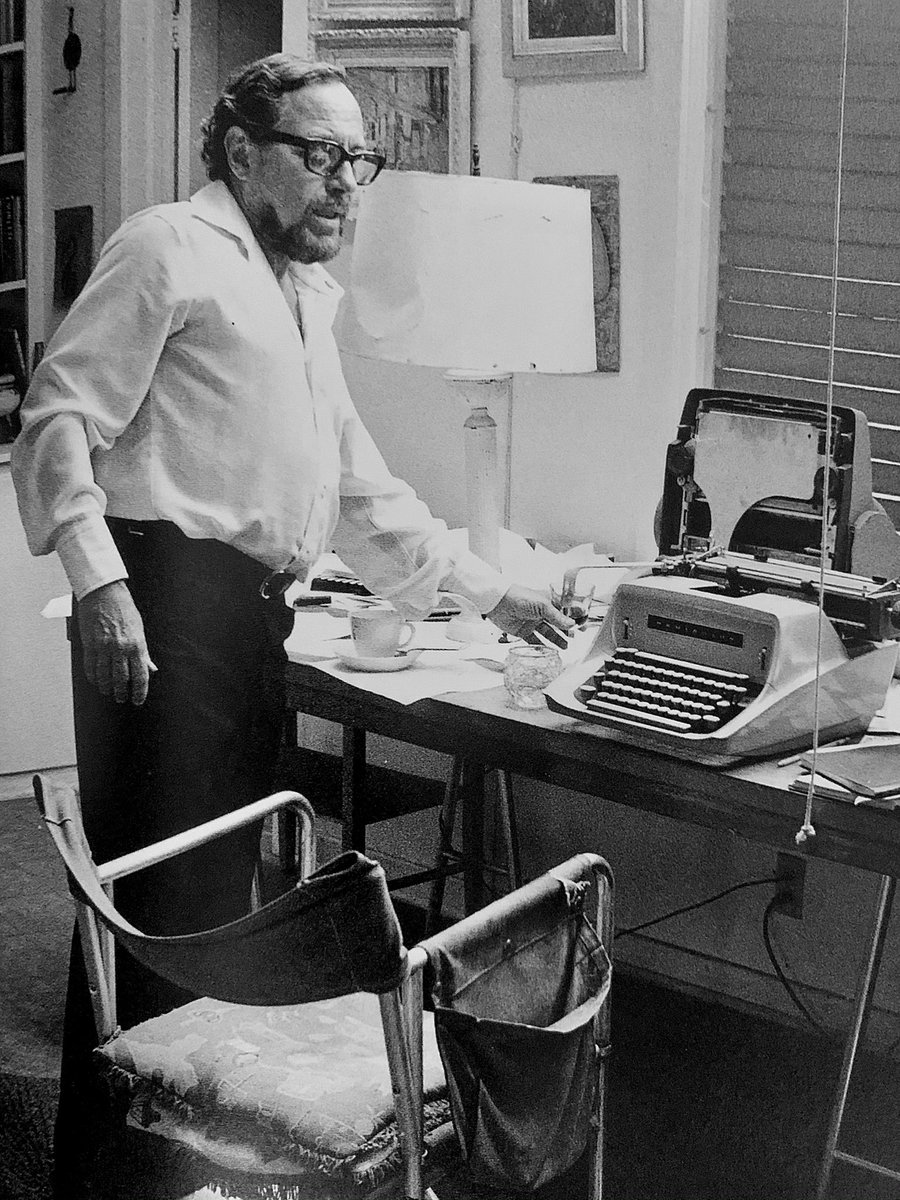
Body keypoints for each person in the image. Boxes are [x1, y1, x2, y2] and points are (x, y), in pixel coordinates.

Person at [11, 53, 572, 1196]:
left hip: (246, 625)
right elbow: (58, 419)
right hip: (163, 610)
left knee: (219, 911)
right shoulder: (169, 248)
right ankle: (118, 1176)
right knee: (158, 917)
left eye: (354, 161)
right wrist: (102, 580)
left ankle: (182, 1172)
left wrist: (491, 590)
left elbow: (361, 493)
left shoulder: (300, 294)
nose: (343, 185)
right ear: (239, 153)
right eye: (318, 157)